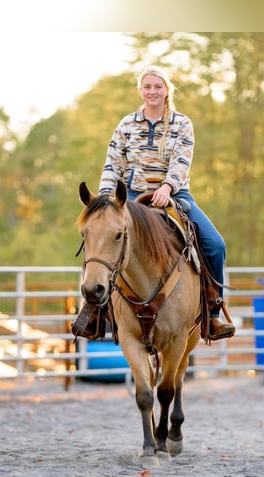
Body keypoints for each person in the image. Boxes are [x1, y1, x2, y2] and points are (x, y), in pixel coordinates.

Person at [94, 64, 235, 341]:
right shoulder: (126, 124)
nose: (152, 91)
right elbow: (113, 163)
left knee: (216, 245)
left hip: (174, 194)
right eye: (147, 86)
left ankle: (213, 312)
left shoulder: (182, 123)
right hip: (131, 197)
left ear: (167, 90)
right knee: (99, 240)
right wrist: (105, 200)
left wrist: (168, 187)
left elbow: (181, 161)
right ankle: (94, 313)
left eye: (158, 86)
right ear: (141, 90)